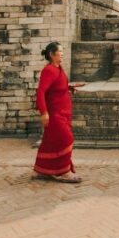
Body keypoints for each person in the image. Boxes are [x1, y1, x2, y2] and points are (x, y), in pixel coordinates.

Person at [32, 42, 85, 183]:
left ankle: (41, 170)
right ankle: (63, 172)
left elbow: (56, 86)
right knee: (66, 139)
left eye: (62, 50)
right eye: (60, 51)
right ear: (52, 54)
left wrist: (68, 87)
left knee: (50, 142)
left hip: (63, 112)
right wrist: (44, 112)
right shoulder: (49, 70)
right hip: (55, 114)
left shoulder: (58, 68)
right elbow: (41, 92)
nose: (62, 53)